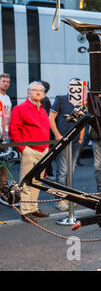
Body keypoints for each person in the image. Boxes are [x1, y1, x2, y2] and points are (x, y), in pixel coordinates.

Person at [9, 81, 51, 223]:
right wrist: (23, 149)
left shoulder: (42, 109)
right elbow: (14, 130)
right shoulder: (20, 109)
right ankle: (25, 211)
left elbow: (45, 129)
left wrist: (47, 148)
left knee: (38, 181)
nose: (38, 93)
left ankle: (33, 208)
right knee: (27, 182)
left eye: (41, 91)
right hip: (30, 150)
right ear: (28, 92)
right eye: (35, 90)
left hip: (43, 150)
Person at [49, 79, 85, 211]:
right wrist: (58, 135)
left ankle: (68, 197)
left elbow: (83, 122)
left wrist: (81, 139)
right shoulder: (61, 99)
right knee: (62, 172)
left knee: (71, 171)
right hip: (63, 141)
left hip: (75, 143)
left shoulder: (81, 103)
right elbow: (51, 117)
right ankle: (60, 200)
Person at [0, 73, 12, 188]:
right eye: (3, 81)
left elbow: (8, 116)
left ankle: (5, 192)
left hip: (7, 133)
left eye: (8, 81)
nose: (6, 83)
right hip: (1, 133)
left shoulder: (7, 98)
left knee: (5, 164)